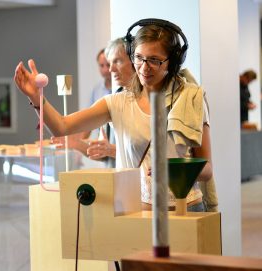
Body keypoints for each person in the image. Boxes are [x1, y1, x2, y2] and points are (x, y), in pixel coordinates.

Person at [14, 18, 213, 211]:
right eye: (138, 57)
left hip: (186, 209)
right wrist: (36, 98)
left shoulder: (190, 100)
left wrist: (174, 171)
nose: (144, 67)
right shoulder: (117, 102)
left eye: (154, 60)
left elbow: (207, 170)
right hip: (137, 212)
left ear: (173, 61)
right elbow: (61, 126)